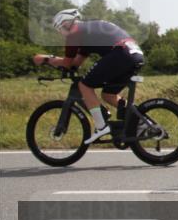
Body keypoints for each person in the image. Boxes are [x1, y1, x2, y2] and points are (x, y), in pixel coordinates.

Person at [33, 9, 145, 145]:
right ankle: (141, 122)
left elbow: (67, 63)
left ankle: (101, 127)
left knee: (84, 85)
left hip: (121, 54)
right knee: (109, 95)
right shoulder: (87, 32)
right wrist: (61, 64)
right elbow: (75, 63)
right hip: (134, 55)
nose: (61, 33)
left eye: (60, 29)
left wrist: (46, 59)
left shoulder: (74, 32)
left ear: (66, 23)